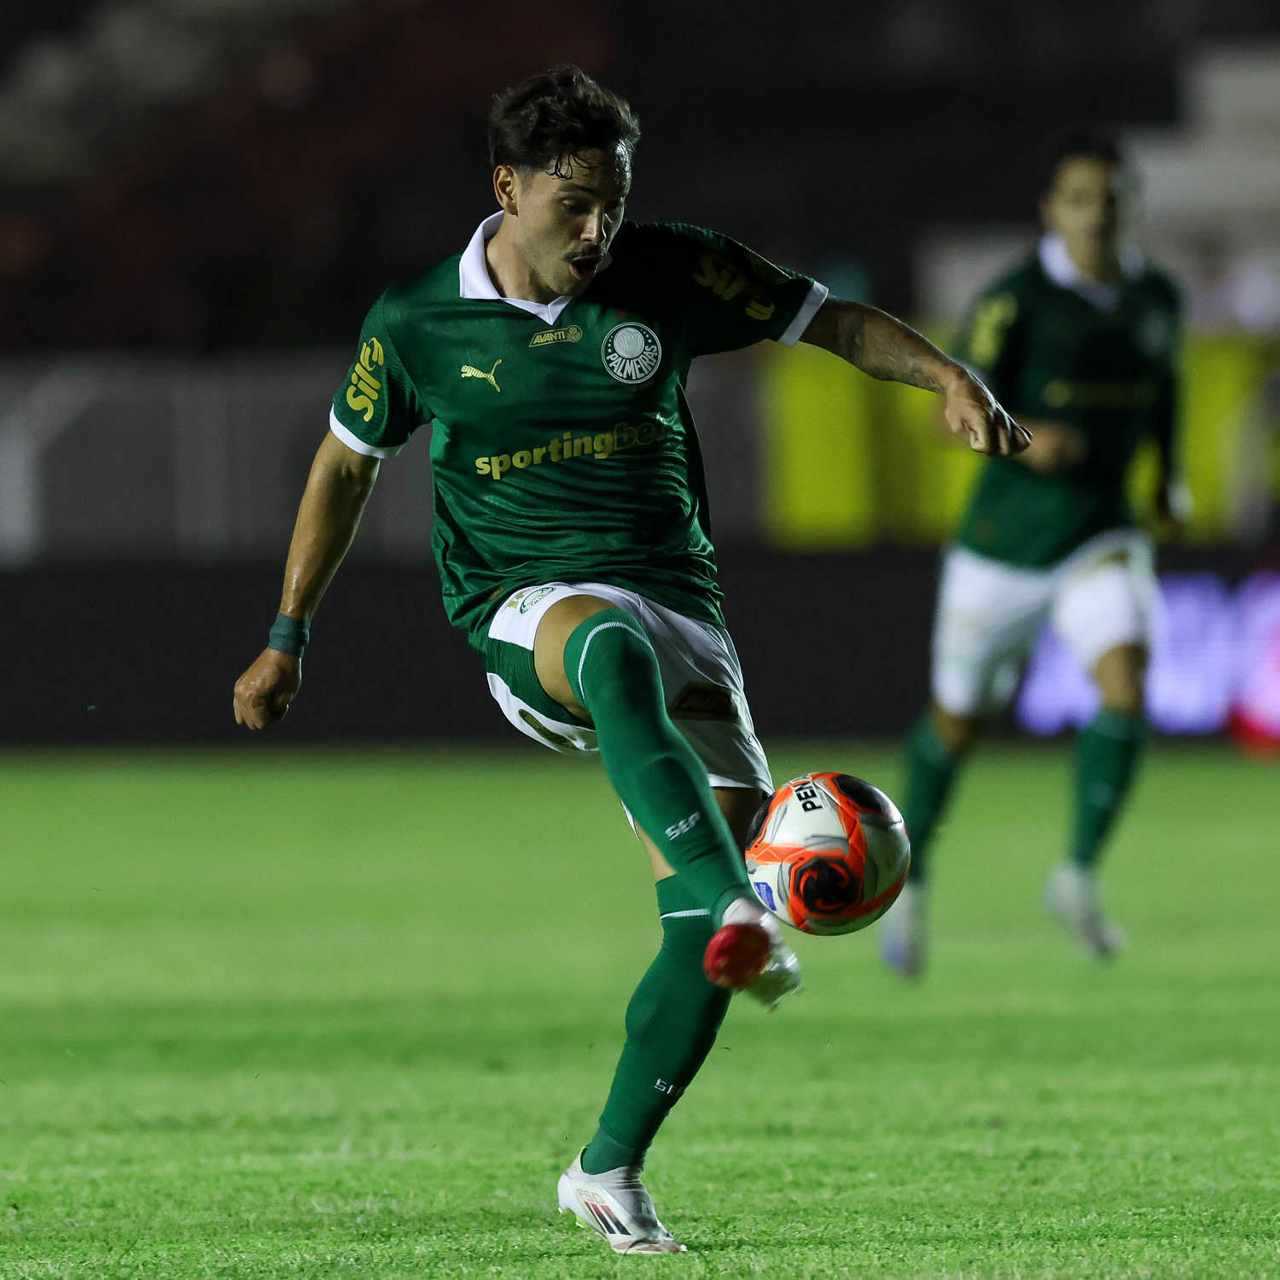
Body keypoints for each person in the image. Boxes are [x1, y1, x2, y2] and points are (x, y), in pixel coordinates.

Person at [232, 65, 1026, 1254]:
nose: (594, 229)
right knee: (609, 654)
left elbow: (830, 321)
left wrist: (949, 375)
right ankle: (734, 896)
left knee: (696, 938)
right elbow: (346, 464)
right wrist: (287, 632)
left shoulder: (671, 269)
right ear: (507, 188)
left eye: (611, 203)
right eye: (572, 205)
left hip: (680, 609)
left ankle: (606, 1166)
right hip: (523, 607)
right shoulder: (416, 320)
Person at [879, 126, 1184, 979]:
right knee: (956, 722)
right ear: (1052, 209)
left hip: (1101, 532)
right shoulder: (1014, 301)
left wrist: (1171, 478)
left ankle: (1077, 875)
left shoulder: (1158, 296)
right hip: (1003, 547)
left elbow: (1168, 391)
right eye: (1080, 200)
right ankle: (910, 880)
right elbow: (944, 413)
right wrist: (1025, 438)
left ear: (1131, 207)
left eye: (1111, 200)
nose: (1097, 215)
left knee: (1127, 683)